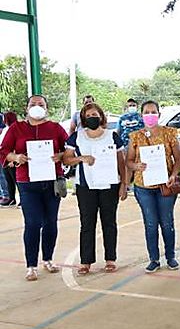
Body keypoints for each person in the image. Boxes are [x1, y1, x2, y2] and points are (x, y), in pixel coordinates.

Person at [0, 95, 69, 281]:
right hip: (27, 182)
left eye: (41, 104)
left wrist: (61, 155)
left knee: (50, 222)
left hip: (52, 180)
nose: (36, 107)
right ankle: (31, 265)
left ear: (47, 108)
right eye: (33, 104)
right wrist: (15, 158)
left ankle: (48, 259)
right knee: (32, 223)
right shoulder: (17, 128)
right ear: (27, 107)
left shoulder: (55, 128)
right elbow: (4, 150)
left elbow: (70, 148)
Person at [63, 103, 129, 275]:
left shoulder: (112, 136)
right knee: (87, 223)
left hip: (109, 185)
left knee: (109, 222)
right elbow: (66, 159)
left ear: (101, 116)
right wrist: (81, 158)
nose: (92, 117)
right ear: (83, 118)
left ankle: (110, 259)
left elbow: (121, 162)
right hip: (86, 186)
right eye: (88, 115)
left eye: (95, 114)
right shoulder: (76, 137)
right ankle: (86, 261)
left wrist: (124, 183)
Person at [126, 100, 180, 273]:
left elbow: (178, 159)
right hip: (143, 187)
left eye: (153, 112)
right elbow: (128, 161)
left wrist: (173, 175)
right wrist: (136, 166)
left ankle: (171, 256)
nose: (150, 115)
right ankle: (154, 259)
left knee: (166, 222)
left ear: (158, 114)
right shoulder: (135, 136)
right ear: (142, 115)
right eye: (146, 112)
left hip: (165, 185)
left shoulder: (169, 133)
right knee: (150, 223)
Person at [1, 112, 19, 207]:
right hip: (4, 159)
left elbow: (16, 145)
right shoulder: (5, 129)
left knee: (16, 180)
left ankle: (23, 200)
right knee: (9, 180)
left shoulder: (16, 129)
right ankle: (11, 198)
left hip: (12, 158)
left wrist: (13, 160)